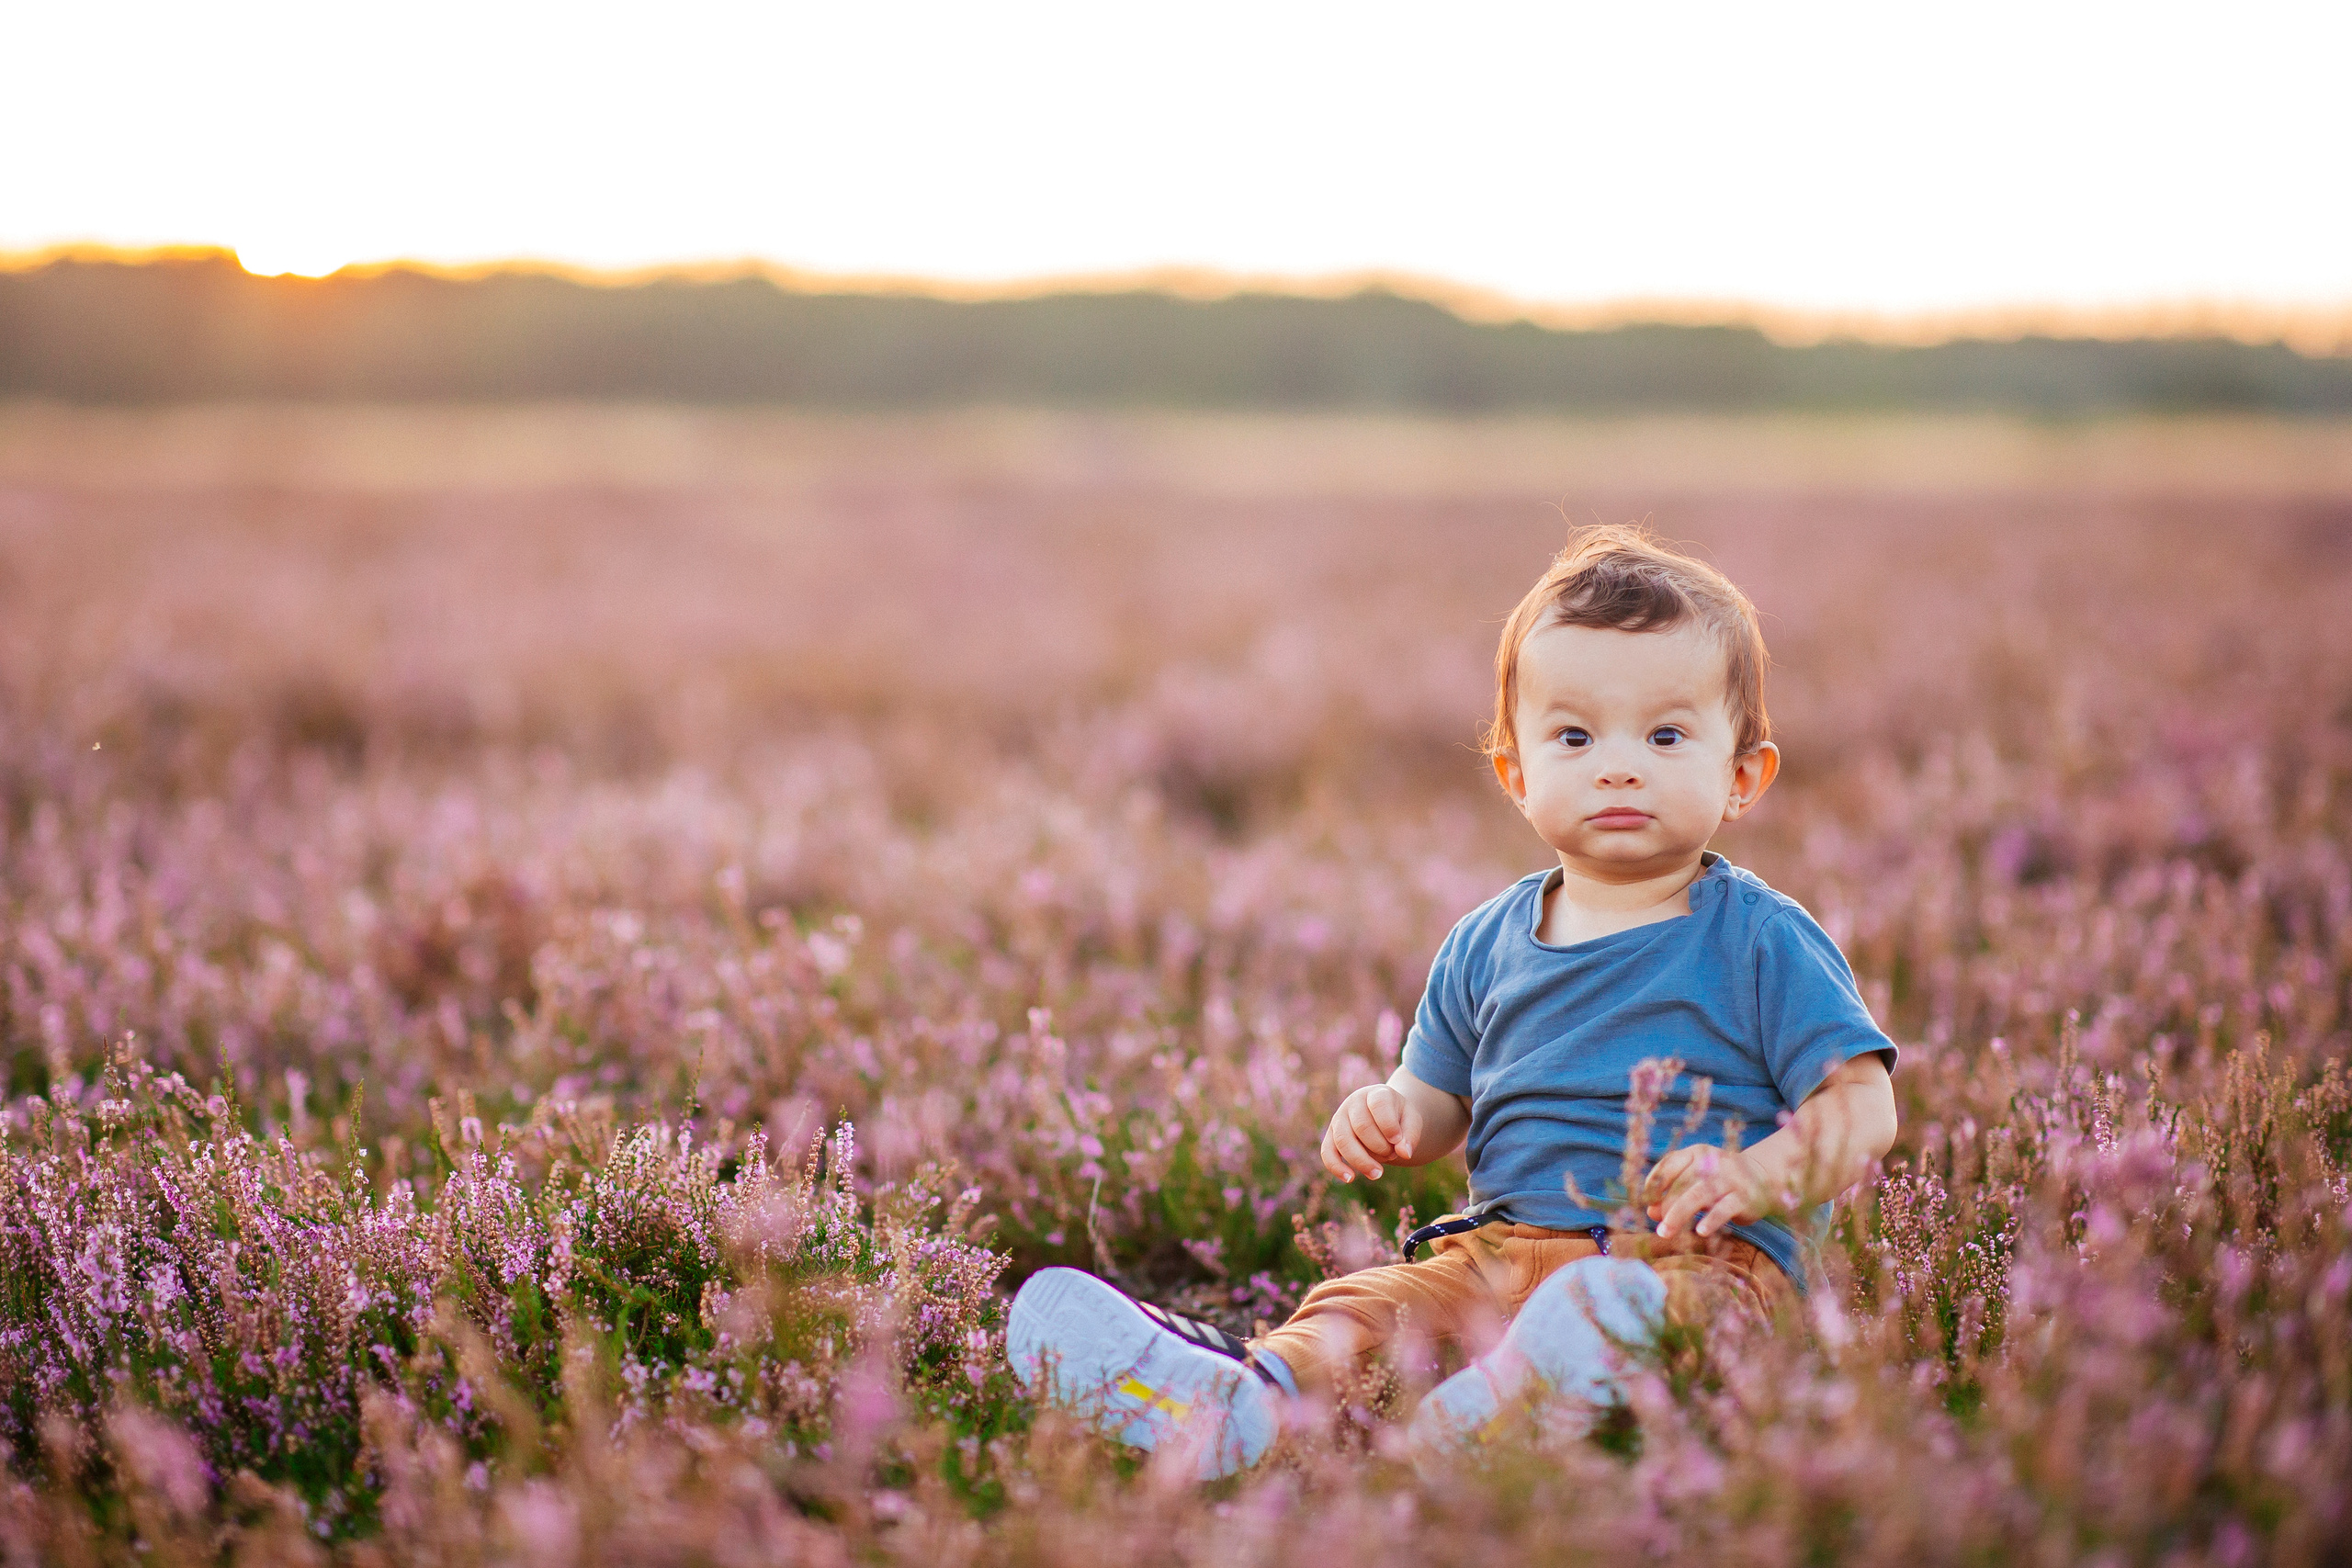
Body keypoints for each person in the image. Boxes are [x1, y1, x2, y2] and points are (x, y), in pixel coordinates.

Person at [1007, 525, 1899, 1478]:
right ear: (1516, 773)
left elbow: (1861, 1108)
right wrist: (1389, 1114)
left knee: (1650, 1319)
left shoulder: (1761, 938)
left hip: (1700, 1256)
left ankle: (1536, 1390)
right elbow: (1438, 1104)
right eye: (1574, 736)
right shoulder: (1484, 942)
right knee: (1366, 1308)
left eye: (1666, 734)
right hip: (1498, 1253)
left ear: (1742, 777)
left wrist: (1757, 1178)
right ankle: (1249, 1398)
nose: (1618, 764)